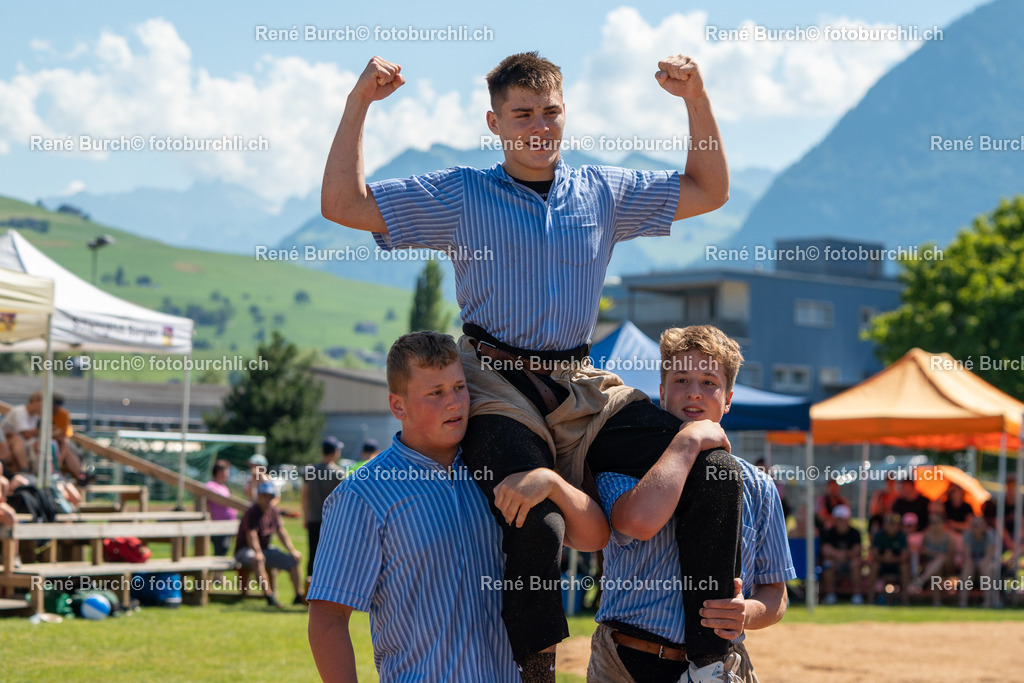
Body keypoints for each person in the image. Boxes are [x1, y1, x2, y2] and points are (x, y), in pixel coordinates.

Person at [322, 50, 740, 680]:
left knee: (713, 467)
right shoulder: (461, 194)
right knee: (535, 516)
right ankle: (536, 670)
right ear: (494, 124)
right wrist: (359, 103)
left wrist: (696, 98)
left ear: (565, 113)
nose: (539, 127)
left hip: (581, 384)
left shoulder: (602, 191)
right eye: (522, 115)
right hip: (495, 382)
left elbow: (710, 190)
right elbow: (343, 204)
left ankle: (710, 661)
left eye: (550, 112)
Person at [307, 332, 610, 682]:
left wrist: (552, 482)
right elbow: (328, 618)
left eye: (459, 387)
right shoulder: (363, 495)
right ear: (398, 406)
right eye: (436, 393)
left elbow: (595, 537)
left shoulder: (503, 470)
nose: (454, 403)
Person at [589, 325, 794, 683]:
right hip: (627, 660)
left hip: (722, 664)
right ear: (662, 392)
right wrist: (688, 442)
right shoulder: (627, 462)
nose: (694, 392)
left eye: (709, 382)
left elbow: (776, 593)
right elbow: (638, 522)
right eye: (681, 379)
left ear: (728, 399)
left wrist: (746, 612)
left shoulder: (759, 486)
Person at [235, 480, 304, 608]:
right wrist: (258, 552)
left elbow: (281, 532)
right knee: (258, 560)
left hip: (265, 549)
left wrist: (291, 550)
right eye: (264, 496)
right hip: (245, 550)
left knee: (293, 560)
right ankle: (269, 597)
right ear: (259, 496)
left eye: (270, 496)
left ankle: (298, 596)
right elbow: (251, 535)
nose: (267, 499)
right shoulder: (252, 512)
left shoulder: (273, 511)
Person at [301, 436, 346, 585]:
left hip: (313, 518)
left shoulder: (310, 471)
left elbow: (304, 496)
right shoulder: (339, 473)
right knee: (331, 556)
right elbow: (342, 500)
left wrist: (305, 517)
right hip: (332, 520)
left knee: (313, 555)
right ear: (335, 451)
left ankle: (308, 588)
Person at [820, 504, 864, 605]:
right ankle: (830, 595)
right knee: (827, 564)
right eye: (839, 519)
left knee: (856, 563)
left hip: (849, 561)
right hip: (835, 561)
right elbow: (825, 550)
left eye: (843, 519)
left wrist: (844, 554)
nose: (841, 522)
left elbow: (857, 550)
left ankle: (857, 595)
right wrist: (838, 554)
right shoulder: (829, 532)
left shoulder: (855, 533)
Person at [911, 511, 955, 606]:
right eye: (932, 522)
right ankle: (937, 602)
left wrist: (935, 555)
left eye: (936, 522)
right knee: (936, 570)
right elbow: (922, 551)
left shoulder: (948, 537)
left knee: (941, 559)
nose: (934, 525)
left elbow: (950, 556)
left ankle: (920, 581)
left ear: (943, 523)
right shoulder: (927, 535)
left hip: (946, 566)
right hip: (930, 566)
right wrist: (936, 554)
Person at [867, 513, 911, 605]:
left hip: (897, 564)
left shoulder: (902, 536)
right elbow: (874, 554)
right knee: (874, 566)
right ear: (885, 525)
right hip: (882, 564)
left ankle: (905, 600)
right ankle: (870, 599)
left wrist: (892, 558)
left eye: (894, 524)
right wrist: (884, 558)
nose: (892, 526)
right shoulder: (878, 536)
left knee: (905, 567)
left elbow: (905, 556)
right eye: (890, 523)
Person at [0, 391, 43, 473]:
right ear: (35, 401)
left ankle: (40, 471)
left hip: (15, 446)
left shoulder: (35, 415)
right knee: (18, 440)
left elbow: (30, 435)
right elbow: (26, 435)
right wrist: (39, 431)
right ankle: (25, 469)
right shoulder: (19, 411)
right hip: (6, 444)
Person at [959, 514, 996, 608]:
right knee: (967, 569)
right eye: (975, 525)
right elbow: (967, 556)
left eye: (980, 524)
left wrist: (982, 565)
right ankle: (963, 602)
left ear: (984, 526)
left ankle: (987, 602)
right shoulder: (967, 535)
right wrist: (971, 565)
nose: (977, 527)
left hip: (986, 561)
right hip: (972, 561)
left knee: (988, 569)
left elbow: (989, 555)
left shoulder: (990, 534)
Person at [204, 460, 237, 556]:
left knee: (224, 549)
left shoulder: (224, 487)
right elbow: (205, 503)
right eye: (226, 471)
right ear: (219, 472)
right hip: (218, 525)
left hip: (228, 525)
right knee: (221, 548)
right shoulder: (210, 486)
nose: (228, 474)